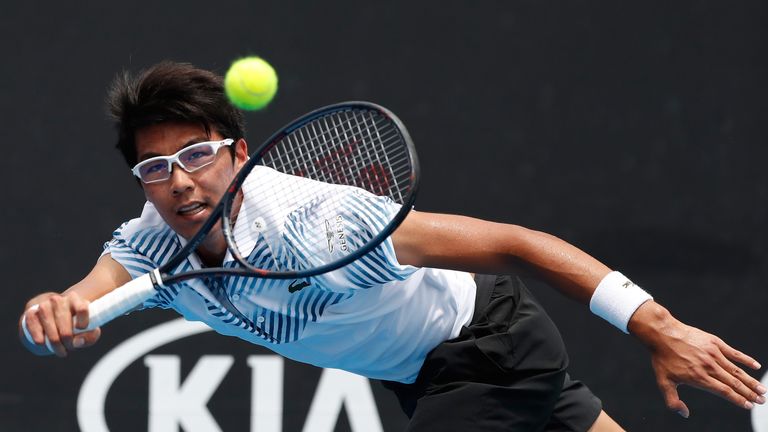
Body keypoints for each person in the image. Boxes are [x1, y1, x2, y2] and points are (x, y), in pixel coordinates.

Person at [19, 61, 766, 432]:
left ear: (238, 153)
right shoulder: (149, 245)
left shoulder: (324, 223)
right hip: (416, 370)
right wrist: (50, 315)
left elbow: (517, 243)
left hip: (486, 344)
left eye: (195, 157)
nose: (177, 183)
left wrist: (658, 325)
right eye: (154, 169)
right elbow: (78, 299)